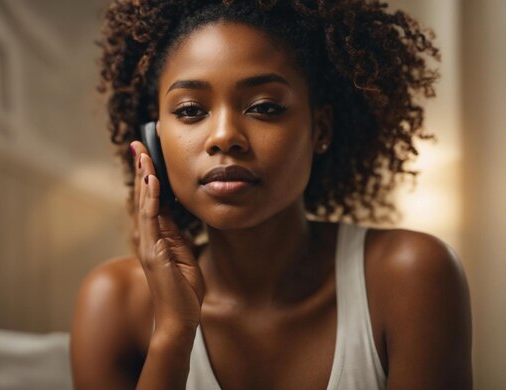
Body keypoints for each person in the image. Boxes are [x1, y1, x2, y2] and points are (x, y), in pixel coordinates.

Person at [70, 1, 472, 389]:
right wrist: (174, 333)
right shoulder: (114, 304)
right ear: (152, 142)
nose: (224, 135)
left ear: (321, 130)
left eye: (264, 107)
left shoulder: (411, 276)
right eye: (191, 110)